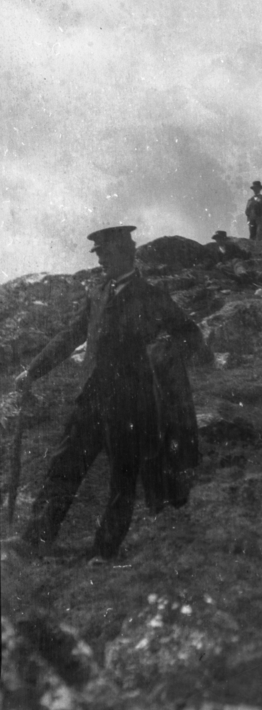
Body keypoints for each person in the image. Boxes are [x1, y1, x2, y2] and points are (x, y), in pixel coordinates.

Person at [11, 226, 208, 561]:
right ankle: (36, 540)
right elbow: (71, 334)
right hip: (89, 399)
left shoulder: (151, 294)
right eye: (98, 254)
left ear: (125, 254)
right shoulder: (98, 292)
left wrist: (166, 350)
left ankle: (104, 549)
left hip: (131, 404)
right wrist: (33, 371)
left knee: (122, 479)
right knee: (63, 467)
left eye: (106, 253)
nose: (100, 260)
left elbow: (189, 334)